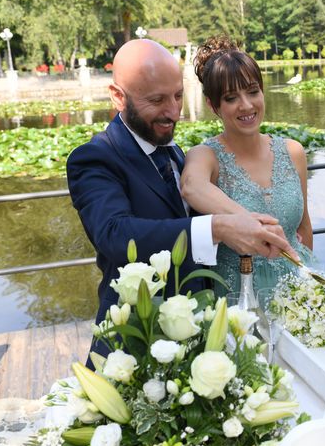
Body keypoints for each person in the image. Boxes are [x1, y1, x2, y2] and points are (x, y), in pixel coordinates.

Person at [66, 39, 296, 365]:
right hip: (134, 347)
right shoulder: (95, 158)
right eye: (157, 100)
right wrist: (216, 228)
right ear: (118, 96)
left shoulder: (172, 151)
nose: (174, 112)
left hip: (196, 339)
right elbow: (115, 235)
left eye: (177, 95)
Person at [181, 36, 315, 297]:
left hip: (297, 293)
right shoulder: (205, 156)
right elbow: (190, 185)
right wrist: (252, 223)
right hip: (239, 300)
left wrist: (306, 293)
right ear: (213, 105)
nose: (246, 105)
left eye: (253, 91)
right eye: (231, 98)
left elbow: (304, 229)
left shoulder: (293, 151)